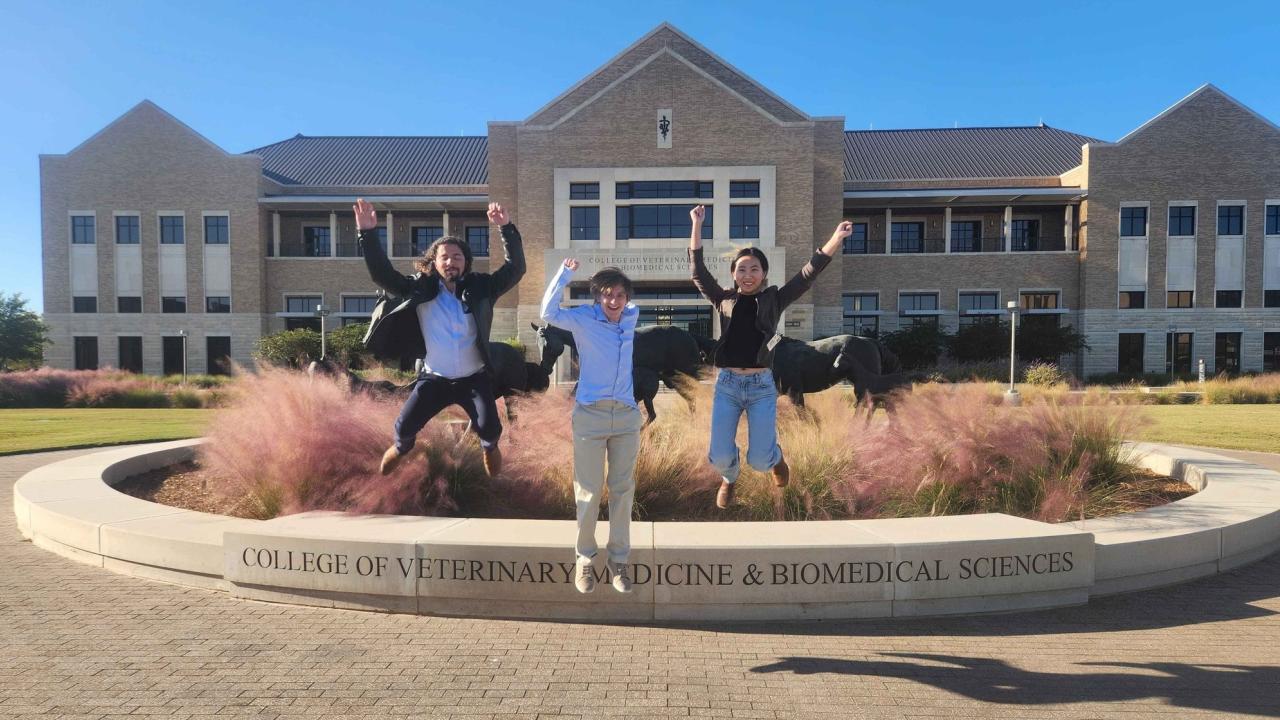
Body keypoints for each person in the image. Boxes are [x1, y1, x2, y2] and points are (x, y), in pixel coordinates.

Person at [688, 205, 853, 509]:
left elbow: (807, 275)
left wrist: (835, 239)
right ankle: (729, 478)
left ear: (763, 274)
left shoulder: (774, 299)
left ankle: (776, 459)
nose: (747, 275)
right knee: (720, 455)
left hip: (761, 387)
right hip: (727, 385)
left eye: (754, 269)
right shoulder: (723, 299)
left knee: (760, 460)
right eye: (742, 269)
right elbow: (697, 271)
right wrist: (697, 225)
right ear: (733, 274)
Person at [353, 198, 525, 478]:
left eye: (457, 257)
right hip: (434, 379)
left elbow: (515, 268)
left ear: (466, 262)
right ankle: (400, 448)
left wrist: (506, 228)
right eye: (444, 257)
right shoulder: (419, 288)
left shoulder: (482, 288)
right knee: (404, 427)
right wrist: (368, 234)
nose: (450, 262)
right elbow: (382, 274)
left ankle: (489, 447)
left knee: (491, 428)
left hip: (474, 379)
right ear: (434, 262)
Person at [540, 259, 642, 594]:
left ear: (627, 298)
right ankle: (585, 558)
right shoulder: (584, 318)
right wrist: (564, 274)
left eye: (620, 295)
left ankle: (619, 561)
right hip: (590, 416)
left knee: (623, 490)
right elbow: (547, 312)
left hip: (626, 416)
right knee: (588, 490)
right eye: (607, 294)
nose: (614, 300)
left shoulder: (632, 315)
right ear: (598, 297)